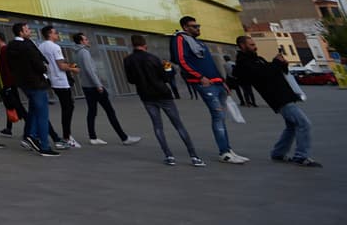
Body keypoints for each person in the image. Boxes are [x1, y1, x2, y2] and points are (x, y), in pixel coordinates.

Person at [232, 35, 321, 167]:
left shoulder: (258, 59)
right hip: (278, 98)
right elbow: (263, 74)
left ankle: (278, 153)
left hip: (284, 95)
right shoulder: (243, 63)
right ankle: (301, 156)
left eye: (254, 44)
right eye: (251, 45)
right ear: (242, 46)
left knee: (291, 126)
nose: (255, 47)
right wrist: (276, 62)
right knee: (304, 123)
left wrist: (283, 65)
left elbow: (273, 71)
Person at [171, 16, 248, 164]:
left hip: (216, 82)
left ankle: (227, 149)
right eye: (194, 26)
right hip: (205, 84)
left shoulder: (199, 43)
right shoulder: (180, 39)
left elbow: (210, 63)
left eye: (198, 26)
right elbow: (181, 60)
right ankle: (224, 152)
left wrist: (222, 81)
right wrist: (200, 77)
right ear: (185, 27)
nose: (198, 28)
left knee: (221, 117)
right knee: (217, 116)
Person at [125, 34, 204, 167]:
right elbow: (167, 77)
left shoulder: (128, 60)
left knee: (157, 126)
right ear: (145, 45)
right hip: (163, 94)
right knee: (178, 125)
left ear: (132, 45)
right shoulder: (153, 58)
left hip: (146, 96)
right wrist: (168, 66)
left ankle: (169, 156)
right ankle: (194, 157)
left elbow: (131, 80)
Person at [72, 32, 139, 147]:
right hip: (94, 87)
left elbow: (79, 69)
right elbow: (89, 70)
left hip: (86, 86)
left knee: (92, 112)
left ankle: (93, 137)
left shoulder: (76, 53)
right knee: (110, 111)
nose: (88, 41)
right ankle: (124, 138)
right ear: (81, 41)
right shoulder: (84, 52)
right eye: (86, 39)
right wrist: (98, 85)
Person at [5, 22, 59, 156]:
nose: (30, 31)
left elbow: (11, 67)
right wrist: (44, 68)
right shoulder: (27, 46)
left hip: (24, 84)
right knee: (42, 115)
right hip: (36, 83)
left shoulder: (10, 47)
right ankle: (44, 146)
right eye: (27, 29)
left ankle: (31, 135)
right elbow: (38, 64)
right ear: (21, 32)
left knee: (34, 110)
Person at [38, 25, 80, 148]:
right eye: (55, 33)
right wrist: (73, 68)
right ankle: (67, 136)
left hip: (52, 79)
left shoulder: (41, 46)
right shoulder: (55, 47)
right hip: (61, 81)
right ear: (49, 34)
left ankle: (65, 136)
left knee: (67, 106)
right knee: (68, 107)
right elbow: (61, 66)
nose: (58, 35)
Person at [0, 32, 24, 139]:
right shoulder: (1, 50)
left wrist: (8, 84)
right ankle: (8, 128)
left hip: (9, 83)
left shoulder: (5, 50)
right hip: (9, 83)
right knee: (10, 104)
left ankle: (31, 127)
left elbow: (6, 67)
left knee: (17, 106)